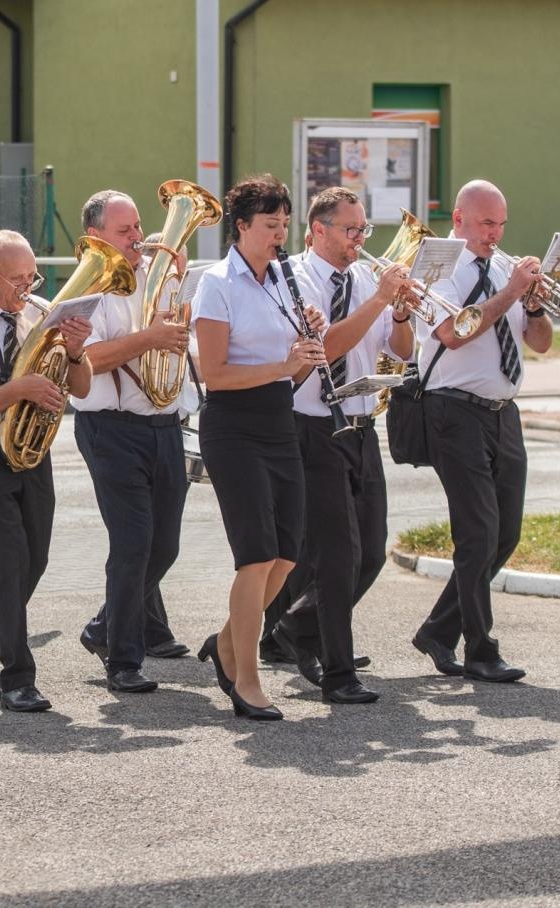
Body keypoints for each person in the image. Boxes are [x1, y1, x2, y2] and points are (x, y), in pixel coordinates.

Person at [265, 188, 415, 704]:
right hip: (311, 426)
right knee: (337, 555)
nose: (359, 239)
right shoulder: (293, 279)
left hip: (360, 424)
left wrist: (399, 315)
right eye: (351, 230)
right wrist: (379, 301)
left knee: (371, 550)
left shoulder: (367, 279)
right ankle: (338, 672)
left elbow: (400, 352)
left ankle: (296, 627)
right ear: (318, 231)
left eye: (363, 229)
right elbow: (324, 350)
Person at [191, 174, 327, 721]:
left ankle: (225, 643)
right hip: (233, 427)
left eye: (284, 225)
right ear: (242, 225)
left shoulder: (283, 282)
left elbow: (291, 372)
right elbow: (216, 374)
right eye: (271, 225)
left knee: (287, 554)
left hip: (277, 420)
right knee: (256, 555)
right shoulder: (216, 283)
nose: (279, 235)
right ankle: (246, 680)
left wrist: (307, 347)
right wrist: (284, 364)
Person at [0, 230, 92, 713]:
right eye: (17, 279)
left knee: (35, 560)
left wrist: (75, 351)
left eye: (32, 277)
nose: (28, 287)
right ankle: (17, 678)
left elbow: (82, 388)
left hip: (31, 448)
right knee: (7, 564)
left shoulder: (41, 313)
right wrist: (19, 389)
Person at [411, 180, 549, 684]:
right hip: (454, 410)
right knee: (478, 533)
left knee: (505, 533)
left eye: (501, 224)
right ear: (459, 218)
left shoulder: (503, 267)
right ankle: (480, 648)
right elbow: (454, 332)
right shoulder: (438, 267)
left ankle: (437, 631)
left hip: (503, 412)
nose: (496, 234)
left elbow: (540, 343)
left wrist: (532, 304)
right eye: (487, 223)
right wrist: (511, 291)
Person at [67, 191, 195, 693]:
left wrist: (179, 289)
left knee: (165, 546)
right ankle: (123, 659)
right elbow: (88, 358)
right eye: (125, 231)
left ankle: (104, 627)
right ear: (95, 236)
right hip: (111, 429)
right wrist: (149, 339)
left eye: (138, 226)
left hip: (163, 425)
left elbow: (181, 340)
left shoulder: (156, 277)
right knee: (133, 544)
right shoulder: (88, 285)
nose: (138, 238)